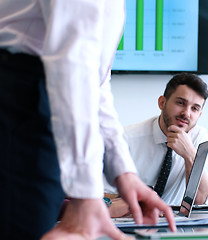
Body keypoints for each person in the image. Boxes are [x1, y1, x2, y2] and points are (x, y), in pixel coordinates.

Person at [0, 1, 175, 239]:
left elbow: (95, 86)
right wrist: (86, 196)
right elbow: (72, 68)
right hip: (21, 104)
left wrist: (124, 173)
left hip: (33, 105)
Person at [105, 73, 208, 217]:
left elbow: (200, 201)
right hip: (131, 221)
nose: (186, 113)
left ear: (199, 114)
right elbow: (101, 194)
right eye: (180, 103)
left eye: (194, 108)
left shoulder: (199, 138)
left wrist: (189, 155)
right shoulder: (127, 138)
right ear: (162, 103)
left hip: (176, 226)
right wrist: (140, 201)